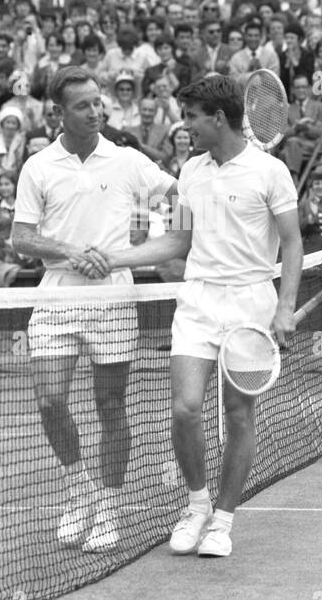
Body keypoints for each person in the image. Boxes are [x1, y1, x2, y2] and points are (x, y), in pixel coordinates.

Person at [93, 74, 302, 559]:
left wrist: (285, 307)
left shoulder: (270, 173)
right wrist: (116, 257)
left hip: (252, 301)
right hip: (199, 300)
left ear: (219, 119)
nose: (184, 127)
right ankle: (197, 504)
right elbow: (179, 242)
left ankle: (223, 522)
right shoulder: (190, 172)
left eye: (191, 118)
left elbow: (292, 243)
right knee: (185, 408)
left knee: (237, 415)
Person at [11, 66, 176, 553]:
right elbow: (21, 239)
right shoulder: (38, 167)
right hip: (58, 295)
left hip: (114, 298)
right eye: (83, 105)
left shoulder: (127, 161)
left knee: (110, 406)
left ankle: (107, 505)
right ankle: (79, 488)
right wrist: (69, 251)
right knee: (49, 399)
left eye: (98, 102)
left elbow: (179, 194)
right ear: (58, 113)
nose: (96, 110)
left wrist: (177, 237)